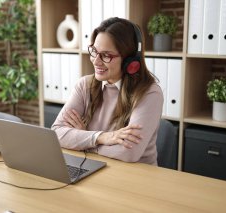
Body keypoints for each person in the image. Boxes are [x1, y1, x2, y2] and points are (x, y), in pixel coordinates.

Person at [51, 17, 163, 164]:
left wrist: (82, 140)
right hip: (94, 169)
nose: (96, 61)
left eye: (106, 55)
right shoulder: (85, 85)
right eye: (94, 51)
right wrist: (101, 137)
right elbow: (56, 133)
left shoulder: (149, 93)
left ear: (130, 60)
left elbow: (128, 153)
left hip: (136, 178)